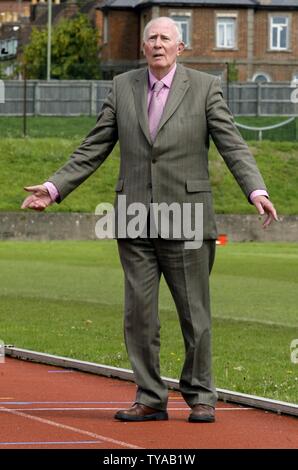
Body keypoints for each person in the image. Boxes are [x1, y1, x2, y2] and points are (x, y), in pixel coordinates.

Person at [21, 17, 278, 423]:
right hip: (134, 218)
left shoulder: (206, 88)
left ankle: (201, 395)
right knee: (139, 314)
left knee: (195, 314)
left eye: (165, 38)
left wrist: (256, 190)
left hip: (188, 218)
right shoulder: (122, 87)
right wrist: (53, 188)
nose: (158, 44)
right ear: (143, 48)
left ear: (181, 48)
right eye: (152, 38)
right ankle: (150, 396)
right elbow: (95, 144)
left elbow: (233, 144)